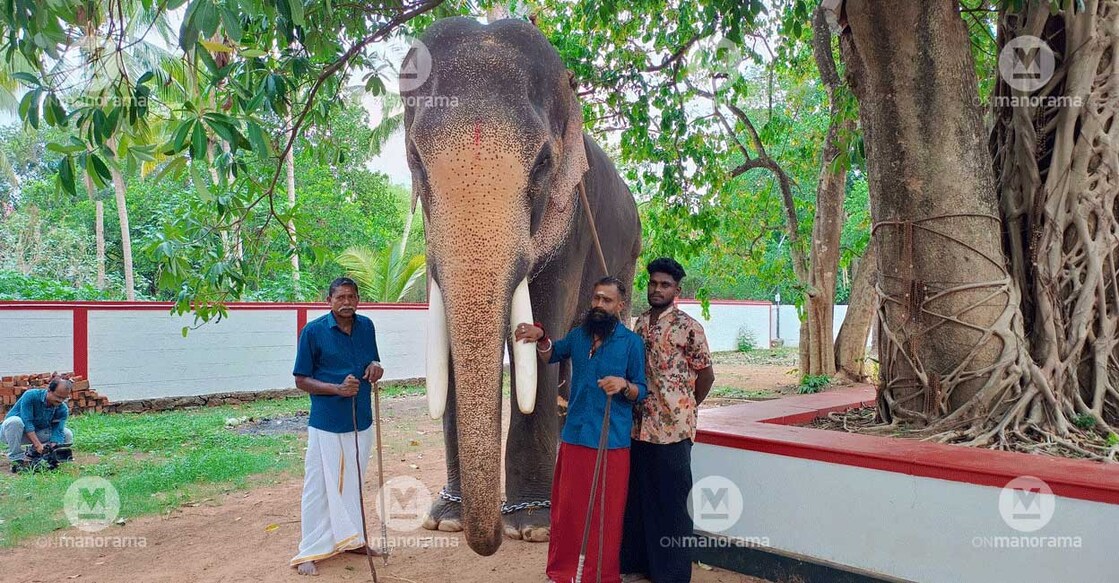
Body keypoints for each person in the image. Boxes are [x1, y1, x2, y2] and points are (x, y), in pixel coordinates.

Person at [515, 276, 648, 583]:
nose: (600, 305)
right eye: (597, 298)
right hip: (574, 437)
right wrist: (540, 337)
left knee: (606, 513)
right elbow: (552, 354)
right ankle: (563, 572)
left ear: (620, 305)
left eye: (607, 300)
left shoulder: (631, 344)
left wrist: (623, 385)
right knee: (568, 509)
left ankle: (598, 574)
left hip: (611, 443)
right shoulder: (578, 336)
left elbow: (642, 390)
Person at [621, 258, 715, 583]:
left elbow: (706, 376)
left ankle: (672, 575)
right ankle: (640, 566)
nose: (657, 289)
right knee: (641, 499)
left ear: (677, 289)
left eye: (665, 284)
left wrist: (685, 407)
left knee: (673, 504)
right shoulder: (640, 324)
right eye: (653, 283)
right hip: (639, 427)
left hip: (674, 431)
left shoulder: (690, 328)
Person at [290, 277, 385, 576]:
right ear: (328, 299)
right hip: (327, 422)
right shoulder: (314, 332)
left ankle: (354, 540)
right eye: (340, 297)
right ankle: (309, 551)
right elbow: (301, 379)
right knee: (318, 486)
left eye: (351, 297)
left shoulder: (366, 326)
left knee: (354, 482)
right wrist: (336, 389)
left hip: (361, 419)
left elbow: (373, 360)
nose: (346, 303)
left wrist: (375, 368)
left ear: (358, 299)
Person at [2, 377, 74, 474]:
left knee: (67, 434)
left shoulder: (62, 409)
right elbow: (27, 422)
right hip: (11, 432)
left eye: (63, 398)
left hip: (35, 433)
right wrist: (38, 445)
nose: (60, 401)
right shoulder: (31, 395)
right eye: (58, 397)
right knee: (15, 422)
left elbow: (58, 430)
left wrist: (54, 445)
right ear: (49, 390)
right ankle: (17, 459)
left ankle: (36, 455)